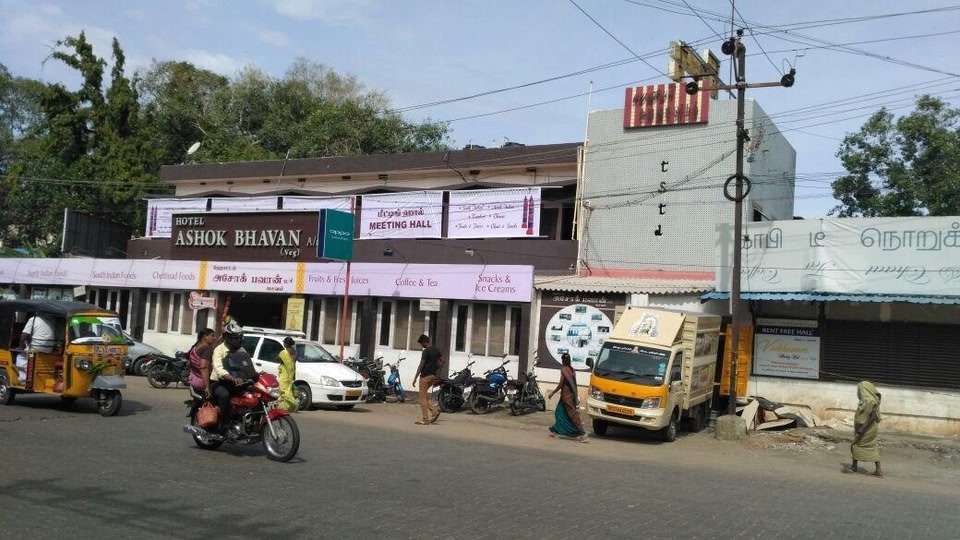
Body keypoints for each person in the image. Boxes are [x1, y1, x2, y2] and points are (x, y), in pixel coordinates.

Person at [209, 321, 253, 433]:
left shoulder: (241, 350)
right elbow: (218, 368)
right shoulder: (219, 350)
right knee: (225, 395)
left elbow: (248, 365)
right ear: (226, 338)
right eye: (234, 338)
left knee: (252, 395)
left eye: (238, 338)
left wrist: (262, 372)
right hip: (219, 383)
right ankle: (222, 425)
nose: (237, 340)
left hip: (236, 383)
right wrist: (230, 377)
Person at [845, 380, 883, 477]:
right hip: (870, 427)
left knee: (855, 444)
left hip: (867, 427)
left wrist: (862, 428)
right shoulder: (872, 399)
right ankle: (878, 469)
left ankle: (854, 467)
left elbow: (873, 416)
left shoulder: (868, 401)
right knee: (872, 446)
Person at [548, 353, 588, 443]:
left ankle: (583, 433)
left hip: (566, 396)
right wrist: (575, 395)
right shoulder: (572, 370)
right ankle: (556, 431)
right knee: (560, 412)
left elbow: (561, 384)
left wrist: (553, 393)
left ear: (563, 360)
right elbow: (574, 384)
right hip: (569, 395)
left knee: (572, 415)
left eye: (562, 360)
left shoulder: (564, 370)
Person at [16, 313, 57, 384]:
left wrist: (20, 346)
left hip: (36, 349)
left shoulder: (33, 319)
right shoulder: (51, 320)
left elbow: (24, 334)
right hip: (49, 349)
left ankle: (23, 379)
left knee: (20, 357)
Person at [411, 334, 442, 425]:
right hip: (433, 376)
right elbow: (442, 360)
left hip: (425, 377)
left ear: (424, 342)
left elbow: (421, 365)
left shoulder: (426, 351)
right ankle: (434, 412)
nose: (422, 345)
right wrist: (436, 368)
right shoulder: (436, 349)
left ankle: (425, 418)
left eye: (421, 343)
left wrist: (415, 377)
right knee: (424, 395)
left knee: (422, 398)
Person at [188, 328, 217, 398]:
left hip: (193, 379)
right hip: (202, 382)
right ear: (205, 337)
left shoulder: (196, 347)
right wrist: (207, 387)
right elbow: (204, 368)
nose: (215, 338)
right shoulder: (207, 348)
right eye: (212, 336)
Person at [277, 336, 299, 412]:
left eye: (284, 342)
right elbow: (293, 364)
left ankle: (295, 403)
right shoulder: (294, 352)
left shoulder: (284, 353)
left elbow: (277, 359)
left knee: (284, 391)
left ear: (286, 344)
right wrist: (294, 375)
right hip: (291, 374)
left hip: (285, 374)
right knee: (288, 389)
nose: (283, 344)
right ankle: (283, 406)